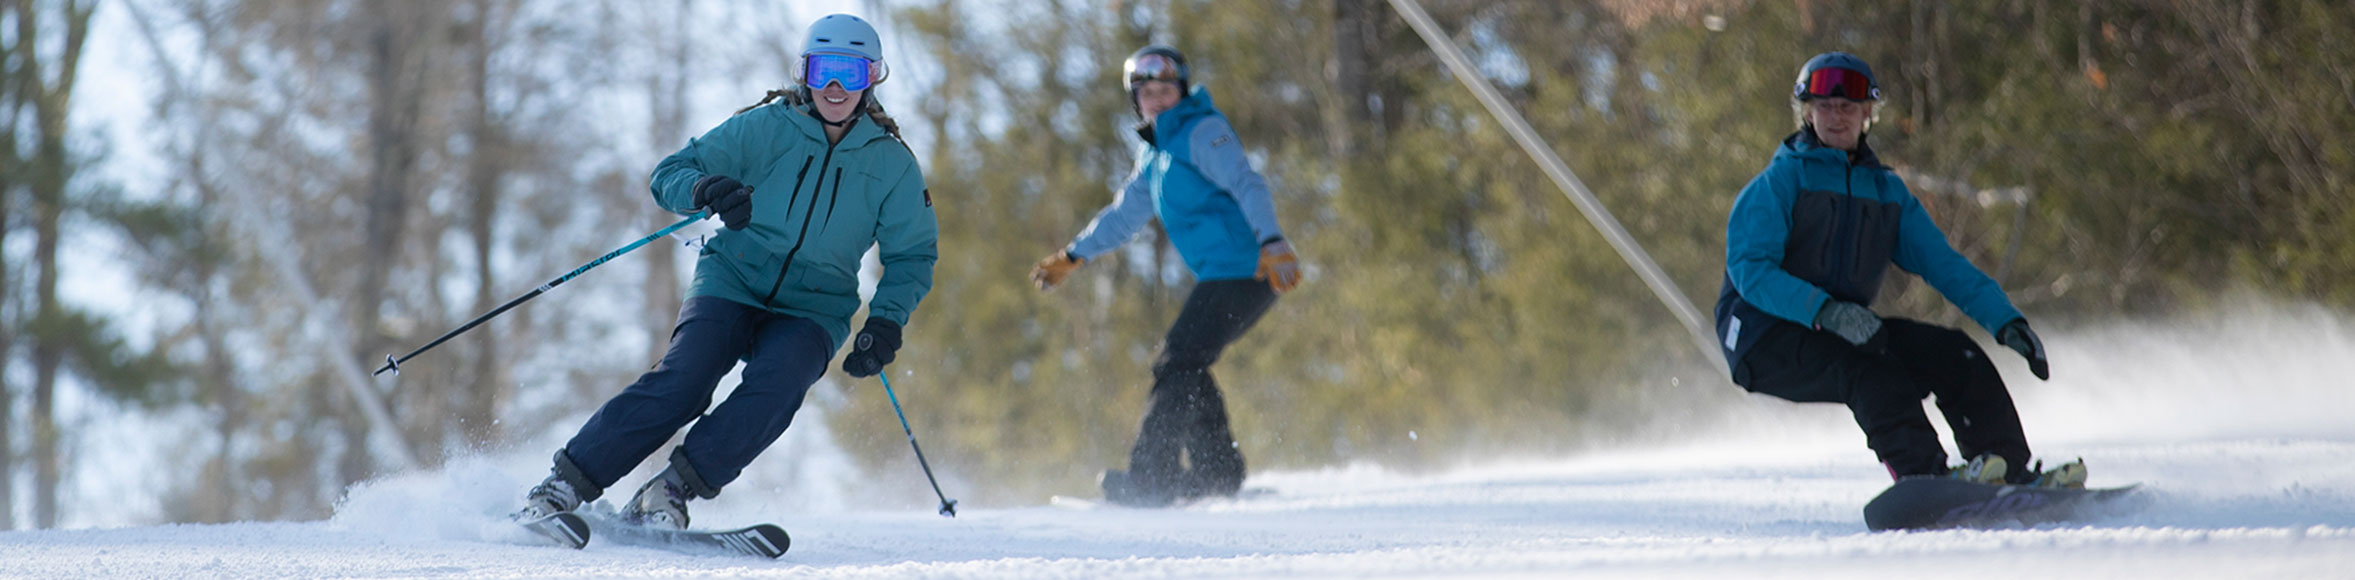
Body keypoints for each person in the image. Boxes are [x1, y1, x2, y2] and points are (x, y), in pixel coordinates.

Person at [516, 13, 937, 528]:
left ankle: (669, 491)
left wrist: (885, 321)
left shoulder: (892, 165)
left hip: (815, 306)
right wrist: (706, 190)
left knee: (779, 387)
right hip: (733, 279)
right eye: (823, 69)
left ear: (872, 79)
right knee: (685, 381)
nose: (833, 86)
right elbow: (671, 172)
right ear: (803, 72)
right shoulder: (765, 128)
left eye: (849, 74)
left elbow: (912, 254)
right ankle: (563, 485)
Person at [1713, 52, 2083, 488]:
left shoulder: (1886, 192)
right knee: (1868, 366)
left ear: (1867, 114)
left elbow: (1942, 264)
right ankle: (1924, 478)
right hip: (1762, 336)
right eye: (1824, 106)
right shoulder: (1778, 184)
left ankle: (2007, 471)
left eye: (1847, 107)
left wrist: (2005, 320)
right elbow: (1751, 270)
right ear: (1806, 113)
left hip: (1842, 329)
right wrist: (1826, 311)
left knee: (1952, 352)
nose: (1836, 116)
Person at [1029, 44, 1303, 507]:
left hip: (1249, 270)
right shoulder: (1157, 155)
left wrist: (1273, 242)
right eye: (1146, 91)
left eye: (1165, 89)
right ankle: (1217, 474)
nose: (1156, 99)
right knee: (1186, 362)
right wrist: (1073, 256)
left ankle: (1150, 479)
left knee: (1177, 361)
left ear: (1182, 91)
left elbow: (1247, 182)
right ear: (1134, 99)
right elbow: (1123, 217)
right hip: (1224, 275)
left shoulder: (1202, 130)